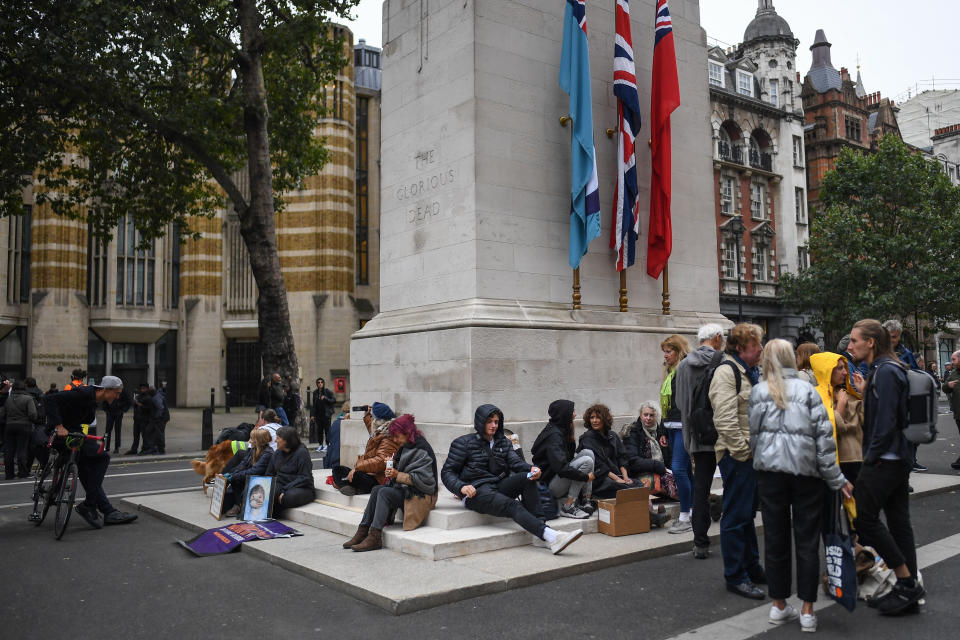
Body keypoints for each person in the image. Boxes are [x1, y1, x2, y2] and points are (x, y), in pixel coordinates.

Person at [749, 339, 853, 632]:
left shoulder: (759, 392)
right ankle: (808, 609)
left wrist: (760, 464)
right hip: (806, 474)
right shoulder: (808, 391)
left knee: (775, 538)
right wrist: (836, 478)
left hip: (770, 475)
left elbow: (754, 438)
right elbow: (824, 440)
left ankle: (779, 604)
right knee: (807, 540)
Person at [846, 319, 925, 615]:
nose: (850, 345)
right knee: (898, 522)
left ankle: (906, 582)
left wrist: (869, 461)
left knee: (864, 520)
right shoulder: (881, 370)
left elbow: (887, 422)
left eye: (854, 341)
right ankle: (907, 590)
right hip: (893, 458)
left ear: (871, 342)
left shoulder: (887, 371)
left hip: (886, 460)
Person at [441, 404, 582, 555]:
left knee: (527, 478)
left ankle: (541, 533)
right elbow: (447, 472)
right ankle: (552, 536)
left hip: (498, 485)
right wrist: (461, 487)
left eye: (496, 421)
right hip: (476, 491)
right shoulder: (463, 443)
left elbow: (516, 462)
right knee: (513, 505)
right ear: (480, 422)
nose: (493, 425)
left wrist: (531, 469)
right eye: (489, 421)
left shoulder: (503, 441)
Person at [710, 322, 766, 600]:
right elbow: (725, 419)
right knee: (735, 515)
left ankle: (752, 567)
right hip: (737, 455)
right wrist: (742, 451)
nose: (761, 349)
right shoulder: (726, 372)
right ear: (743, 347)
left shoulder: (750, 372)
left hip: (750, 455)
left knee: (746, 515)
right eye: (757, 345)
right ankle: (736, 576)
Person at [41, 376, 137, 527]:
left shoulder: (94, 400)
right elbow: (49, 400)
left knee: (87, 470)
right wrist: (59, 425)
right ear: (106, 389)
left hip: (74, 432)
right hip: (59, 432)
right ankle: (92, 506)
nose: (118, 397)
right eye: (117, 393)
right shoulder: (83, 393)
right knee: (102, 457)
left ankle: (105, 510)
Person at [344, 414, 439, 551]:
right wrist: (394, 464)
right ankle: (363, 530)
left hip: (422, 496)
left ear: (407, 432)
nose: (395, 440)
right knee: (377, 489)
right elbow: (406, 469)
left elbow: (426, 483)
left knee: (384, 492)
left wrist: (397, 474)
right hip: (410, 490)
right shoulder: (406, 445)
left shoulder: (421, 449)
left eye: (396, 436)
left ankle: (375, 536)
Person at [675, 323, 726, 559]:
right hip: (724, 434)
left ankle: (700, 543)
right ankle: (731, 536)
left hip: (697, 434)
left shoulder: (684, 365)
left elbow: (680, 403)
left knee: (701, 487)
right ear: (717, 338)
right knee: (732, 484)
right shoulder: (725, 361)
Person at [530, 399, 595, 519]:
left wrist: (570, 435)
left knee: (588, 453)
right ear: (564, 414)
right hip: (550, 485)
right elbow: (561, 468)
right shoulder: (554, 436)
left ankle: (586, 500)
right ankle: (568, 506)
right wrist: (585, 477)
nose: (575, 414)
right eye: (572, 411)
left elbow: (568, 458)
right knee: (587, 461)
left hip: (557, 478)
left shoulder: (560, 429)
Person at [810, 352, 864, 484]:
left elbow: (868, 422)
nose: (846, 372)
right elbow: (828, 429)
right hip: (834, 460)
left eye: (844, 368)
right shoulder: (815, 396)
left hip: (855, 459)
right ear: (827, 371)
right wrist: (840, 406)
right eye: (839, 368)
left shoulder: (848, 394)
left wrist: (863, 392)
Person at [619, 402, 673, 528]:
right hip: (640, 473)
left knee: (680, 478)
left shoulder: (661, 432)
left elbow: (669, 456)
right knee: (666, 482)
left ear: (656, 417)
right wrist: (658, 466)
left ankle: (708, 501)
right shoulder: (632, 431)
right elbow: (632, 461)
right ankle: (653, 516)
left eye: (651, 415)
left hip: (661, 471)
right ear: (640, 415)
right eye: (645, 415)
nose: (648, 418)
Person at [659, 334, 693, 534]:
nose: (665, 355)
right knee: (686, 470)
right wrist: (663, 429)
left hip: (683, 425)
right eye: (664, 351)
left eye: (669, 351)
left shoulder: (685, 369)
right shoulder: (670, 372)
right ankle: (695, 511)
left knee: (679, 469)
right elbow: (666, 405)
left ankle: (685, 516)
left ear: (678, 351)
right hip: (672, 425)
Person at [331, 407, 400, 496]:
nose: (372, 420)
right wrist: (367, 414)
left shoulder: (388, 438)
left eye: (373, 417)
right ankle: (349, 487)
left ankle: (344, 485)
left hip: (377, 479)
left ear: (378, 420)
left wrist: (357, 467)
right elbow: (370, 425)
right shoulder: (379, 432)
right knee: (337, 469)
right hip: (368, 474)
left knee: (355, 475)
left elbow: (380, 461)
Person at [577, 404, 633, 499]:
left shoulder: (613, 436)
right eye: (592, 417)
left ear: (605, 419)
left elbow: (622, 457)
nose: (594, 420)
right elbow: (598, 465)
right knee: (624, 489)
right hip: (599, 478)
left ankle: (648, 512)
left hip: (616, 474)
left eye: (598, 417)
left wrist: (625, 477)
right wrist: (617, 479)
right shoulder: (587, 438)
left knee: (637, 485)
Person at [222, 428, 274, 517]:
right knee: (235, 479)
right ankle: (239, 504)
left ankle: (240, 506)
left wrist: (235, 476)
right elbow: (243, 464)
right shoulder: (253, 450)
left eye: (252, 438)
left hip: (261, 481)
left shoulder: (268, 454)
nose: (249, 441)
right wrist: (233, 473)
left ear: (258, 441)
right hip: (252, 477)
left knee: (237, 478)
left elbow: (255, 471)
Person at [267, 426, 315, 516]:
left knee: (287, 497)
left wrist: (284, 490)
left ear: (286, 441)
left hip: (300, 486)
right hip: (281, 484)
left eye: (278, 438)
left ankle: (274, 512)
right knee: (269, 492)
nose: (275, 441)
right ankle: (270, 513)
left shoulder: (301, 453)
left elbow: (305, 477)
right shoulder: (277, 453)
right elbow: (269, 474)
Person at [2, 380, 38, 479]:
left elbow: (3, 414)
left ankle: (9, 474)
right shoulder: (28, 398)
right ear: (24, 388)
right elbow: (32, 414)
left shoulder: (8, 399)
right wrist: (32, 420)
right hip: (24, 426)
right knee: (22, 450)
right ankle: (22, 473)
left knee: (9, 451)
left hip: (9, 426)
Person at [943, 350, 960, 470]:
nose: (952, 362)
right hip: (959, 412)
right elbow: (945, 387)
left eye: (954, 359)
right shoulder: (953, 373)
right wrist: (948, 386)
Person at [103, 387, 131, 454]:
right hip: (110, 412)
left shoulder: (122, 391)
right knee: (107, 430)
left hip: (118, 412)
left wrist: (123, 409)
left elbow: (128, 401)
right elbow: (105, 399)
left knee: (117, 430)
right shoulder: (110, 390)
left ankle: (116, 447)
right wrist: (106, 409)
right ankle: (106, 447)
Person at [311, 377, 336, 451]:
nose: (320, 383)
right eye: (318, 382)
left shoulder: (327, 392)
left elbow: (334, 400)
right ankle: (320, 445)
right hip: (318, 415)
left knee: (327, 430)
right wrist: (312, 415)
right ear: (317, 384)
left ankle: (327, 444)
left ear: (323, 383)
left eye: (321, 382)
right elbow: (314, 405)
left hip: (326, 414)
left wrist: (325, 398)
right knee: (319, 431)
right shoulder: (315, 392)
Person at [322, 402, 350, 467]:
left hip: (334, 458)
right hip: (347, 461)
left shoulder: (335, 423)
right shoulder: (352, 424)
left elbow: (328, 439)